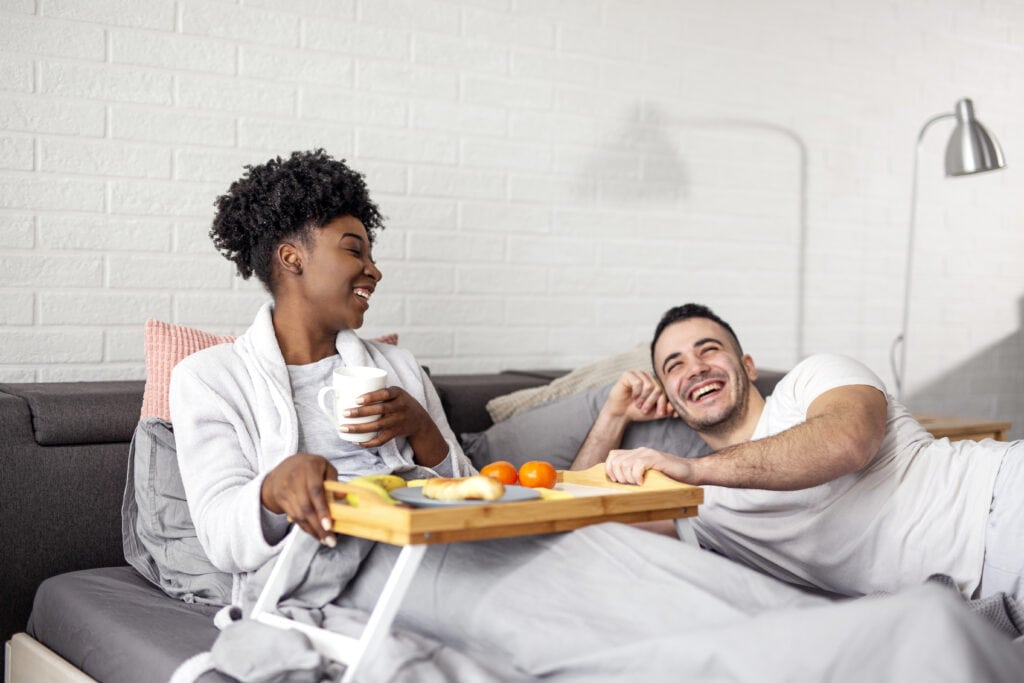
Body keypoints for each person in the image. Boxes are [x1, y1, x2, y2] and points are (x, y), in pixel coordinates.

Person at [168, 152, 1024, 682]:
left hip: (474, 533)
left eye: (370, 250)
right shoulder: (213, 380)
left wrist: (428, 435)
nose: (373, 270)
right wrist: (278, 492)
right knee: (640, 623)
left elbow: (465, 489)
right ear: (291, 256)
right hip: (368, 568)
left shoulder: (392, 367)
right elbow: (222, 535)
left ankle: (893, 644)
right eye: (355, 248)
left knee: (688, 580)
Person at [574, 302, 1024, 602]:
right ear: (671, 402)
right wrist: (614, 415)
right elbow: (575, 514)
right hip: (973, 596)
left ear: (747, 366)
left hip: (1001, 501)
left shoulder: (811, 379)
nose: (695, 369)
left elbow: (849, 442)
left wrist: (693, 469)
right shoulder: (701, 510)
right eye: (674, 366)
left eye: (708, 350)